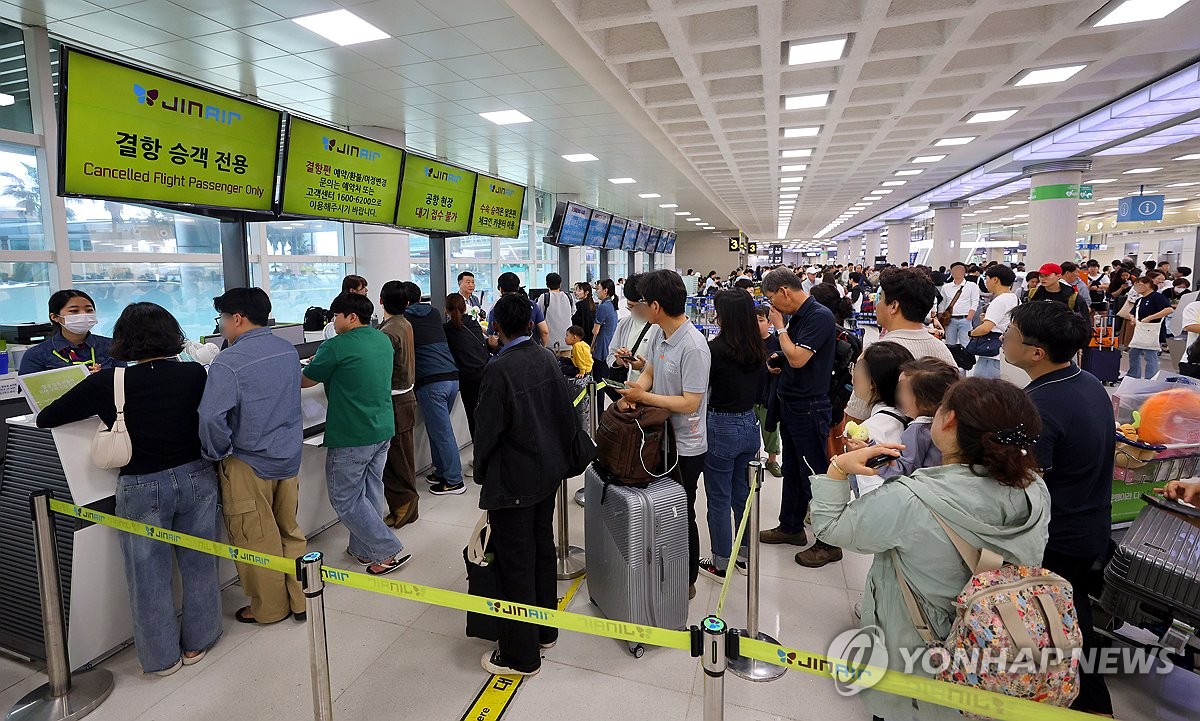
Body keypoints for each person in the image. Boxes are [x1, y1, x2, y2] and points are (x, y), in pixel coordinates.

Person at [811, 378, 1051, 721]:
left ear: (948, 420)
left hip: (919, 663)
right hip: (995, 647)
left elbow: (831, 527)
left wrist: (838, 468)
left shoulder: (912, 499)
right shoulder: (1035, 490)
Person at [38, 303, 220, 675]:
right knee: (201, 562)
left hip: (140, 485)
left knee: (146, 574)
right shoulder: (194, 375)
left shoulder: (108, 382)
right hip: (197, 476)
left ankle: (161, 659)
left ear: (122, 340)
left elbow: (47, 417)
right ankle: (199, 641)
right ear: (173, 335)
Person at [1002, 301, 1114, 715]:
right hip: (1089, 524)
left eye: (1010, 334)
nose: (1003, 338)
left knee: (1059, 626)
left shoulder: (1038, 407)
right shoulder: (1086, 383)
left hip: (1059, 536)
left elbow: (1024, 485)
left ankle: (1083, 703)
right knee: (1073, 615)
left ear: (1036, 352)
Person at [473, 294, 579, 676]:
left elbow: (486, 432)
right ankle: (545, 628)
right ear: (531, 325)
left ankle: (520, 654)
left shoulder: (499, 370)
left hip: (513, 480)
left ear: (496, 328)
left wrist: (481, 471)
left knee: (515, 562)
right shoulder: (546, 357)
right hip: (545, 474)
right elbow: (564, 416)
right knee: (540, 549)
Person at [198, 288, 305, 625]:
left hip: (248, 462)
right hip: (287, 458)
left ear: (238, 318)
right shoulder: (287, 350)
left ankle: (270, 609)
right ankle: (303, 599)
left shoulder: (229, 362)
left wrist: (218, 452)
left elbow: (211, 417)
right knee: (289, 530)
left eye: (223, 320)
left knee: (256, 539)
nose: (223, 327)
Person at [617, 270, 711, 599]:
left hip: (686, 446)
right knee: (660, 508)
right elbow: (651, 371)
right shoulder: (659, 334)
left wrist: (644, 398)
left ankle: (685, 579)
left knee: (682, 511)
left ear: (656, 306)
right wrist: (635, 392)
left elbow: (690, 403)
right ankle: (662, 565)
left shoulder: (693, 346)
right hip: (659, 437)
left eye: (644, 302)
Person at [302, 292, 410, 575]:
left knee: (345, 497)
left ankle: (385, 550)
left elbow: (306, 379)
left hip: (352, 433)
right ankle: (364, 549)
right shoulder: (381, 339)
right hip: (382, 427)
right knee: (371, 488)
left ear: (350, 317)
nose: (332, 321)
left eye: (335, 316)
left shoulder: (336, 346)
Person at [755, 268, 839, 569]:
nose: (773, 307)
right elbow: (791, 355)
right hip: (791, 402)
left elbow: (799, 357)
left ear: (784, 291)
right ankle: (790, 526)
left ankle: (829, 542)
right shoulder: (801, 317)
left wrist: (779, 328)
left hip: (809, 406)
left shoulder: (818, 315)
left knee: (813, 475)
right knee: (792, 469)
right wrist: (777, 359)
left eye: (772, 299)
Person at [698, 290, 766, 580]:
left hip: (721, 425)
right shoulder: (756, 349)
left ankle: (721, 562)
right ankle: (744, 553)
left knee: (718, 496)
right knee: (743, 495)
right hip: (749, 424)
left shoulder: (714, 350)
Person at [844, 268, 956, 425]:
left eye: (880, 299)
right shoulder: (942, 350)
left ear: (893, 306)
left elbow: (856, 418)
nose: (877, 305)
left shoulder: (876, 355)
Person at [401, 282, 464, 495]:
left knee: (442, 432)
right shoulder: (434, 312)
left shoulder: (403, 320)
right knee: (437, 429)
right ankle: (441, 472)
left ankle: (455, 480)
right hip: (452, 377)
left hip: (431, 381)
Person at [840, 341, 913, 498]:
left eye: (856, 368)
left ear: (872, 382)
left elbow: (873, 497)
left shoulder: (871, 432)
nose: (853, 375)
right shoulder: (910, 417)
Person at [377, 281, 420, 527]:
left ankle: (405, 505)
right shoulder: (404, 324)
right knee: (403, 455)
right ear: (406, 303)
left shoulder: (388, 332)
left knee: (397, 459)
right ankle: (404, 506)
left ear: (380, 300)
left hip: (395, 400)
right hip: (406, 397)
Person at [878, 357, 959, 477]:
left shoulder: (918, 430)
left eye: (903, 391)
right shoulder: (957, 421)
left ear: (926, 402)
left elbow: (903, 469)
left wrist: (875, 457)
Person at [18, 289, 114, 374]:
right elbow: (28, 390)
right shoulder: (37, 354)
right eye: (74, 311)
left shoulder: (111, 346)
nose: (83, 315)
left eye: (89, 310)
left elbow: (123, 382)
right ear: (55, 317)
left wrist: (104, 378)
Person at [443, 292, 489, 443]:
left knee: (473, 417)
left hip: (467, 378)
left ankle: (479, 458)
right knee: (487, 415)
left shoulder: (447, 329)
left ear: (446, 310)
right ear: (465, 308)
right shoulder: (474, 323)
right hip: (485, 372)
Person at [968, 264, 1017, 379]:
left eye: (987, 278)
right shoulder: (1013, 297)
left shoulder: (999, 300)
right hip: (1003, 349)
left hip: (991, 353)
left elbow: (985, 328)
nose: (986, 282)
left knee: (983, 389)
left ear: (995, 279)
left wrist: (971, 333)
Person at [1120, 273, 1171, 379]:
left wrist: (1150, 318)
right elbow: (1132, 312)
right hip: (1140, 330)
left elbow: (1168, 309)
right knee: (1134, 353)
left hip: (1151, 329)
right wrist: (1133, 318)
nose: (1137, 287)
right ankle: (1133, 376)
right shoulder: (1140, 300)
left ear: (1148, 285)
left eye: (1139, 284)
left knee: (1150, 355)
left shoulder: (1156, 297)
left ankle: (1151, 378)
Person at [754, 306, 783, 477]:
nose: (756, 324)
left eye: (760, 320)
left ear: (769, 322)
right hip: (751, 395)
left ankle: (772, 460)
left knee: (771, 430)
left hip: (769, 395)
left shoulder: (777, 342)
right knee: (748, 430)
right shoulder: (748, 342)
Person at [487, 272, 549, 347]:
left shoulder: (497, 308)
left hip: (507, 355)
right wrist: (542, 348)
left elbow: (493, 342)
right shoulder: (531, 305)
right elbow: (544, 331)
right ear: (518, 287)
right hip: (532, 351)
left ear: (501, 289)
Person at [938, 262, 979, 349]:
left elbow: (975, 301)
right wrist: (941, 315)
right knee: (950, 343)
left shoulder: (971, 286)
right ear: (951, 272)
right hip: (950, 319)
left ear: (964, 272)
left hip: (965, 318)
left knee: (965, 343)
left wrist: (970, 316)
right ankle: (953, 360)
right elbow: (942, 302)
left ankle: (965, 361)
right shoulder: (946, 287)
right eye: (955, 270)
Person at [591, 279, 619, 399]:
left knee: (600, 382)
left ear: (605, 291)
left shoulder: (603, 306)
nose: (597, 292)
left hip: (601, 348)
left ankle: (600, 411)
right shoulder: (611, 305)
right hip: (609, 345)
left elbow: (595, 331)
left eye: (598, 289)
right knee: (605, 380)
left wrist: (591, 347)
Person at [323, 275, 371, 339]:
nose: (366, 290)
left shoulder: (363, 304)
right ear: (352, 290)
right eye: (363, 287)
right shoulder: (341, 305)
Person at [539, 272, 576, 353]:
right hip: (567, 343)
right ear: (560, 284)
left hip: (549, 344)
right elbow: (573, 312)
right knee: (566, 365)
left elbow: (539, 317)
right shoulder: (569, 296)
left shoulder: (544, 297)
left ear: (547, 284)